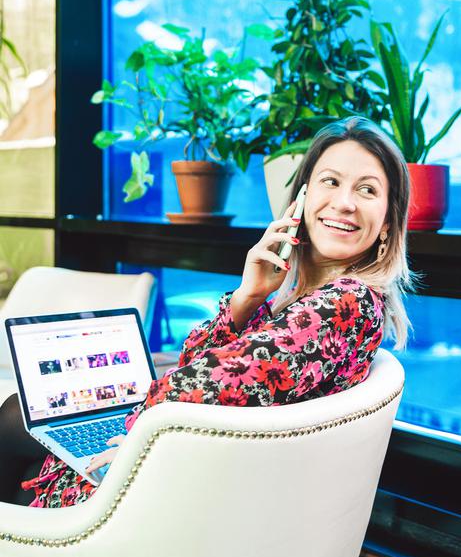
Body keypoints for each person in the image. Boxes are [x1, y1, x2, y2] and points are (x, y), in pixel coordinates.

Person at [0, 116, 412, 509]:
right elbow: (199, 364)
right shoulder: (308, 300)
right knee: (21, 418)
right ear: (301, 198)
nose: (344, 203)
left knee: (16, 429)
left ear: (389, 222)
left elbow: (222, 379)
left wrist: (132, 426)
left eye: (367, 190)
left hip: (185, 487)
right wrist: (247, 297)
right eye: (330, 181)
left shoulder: (346, 304)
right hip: (194, 469)